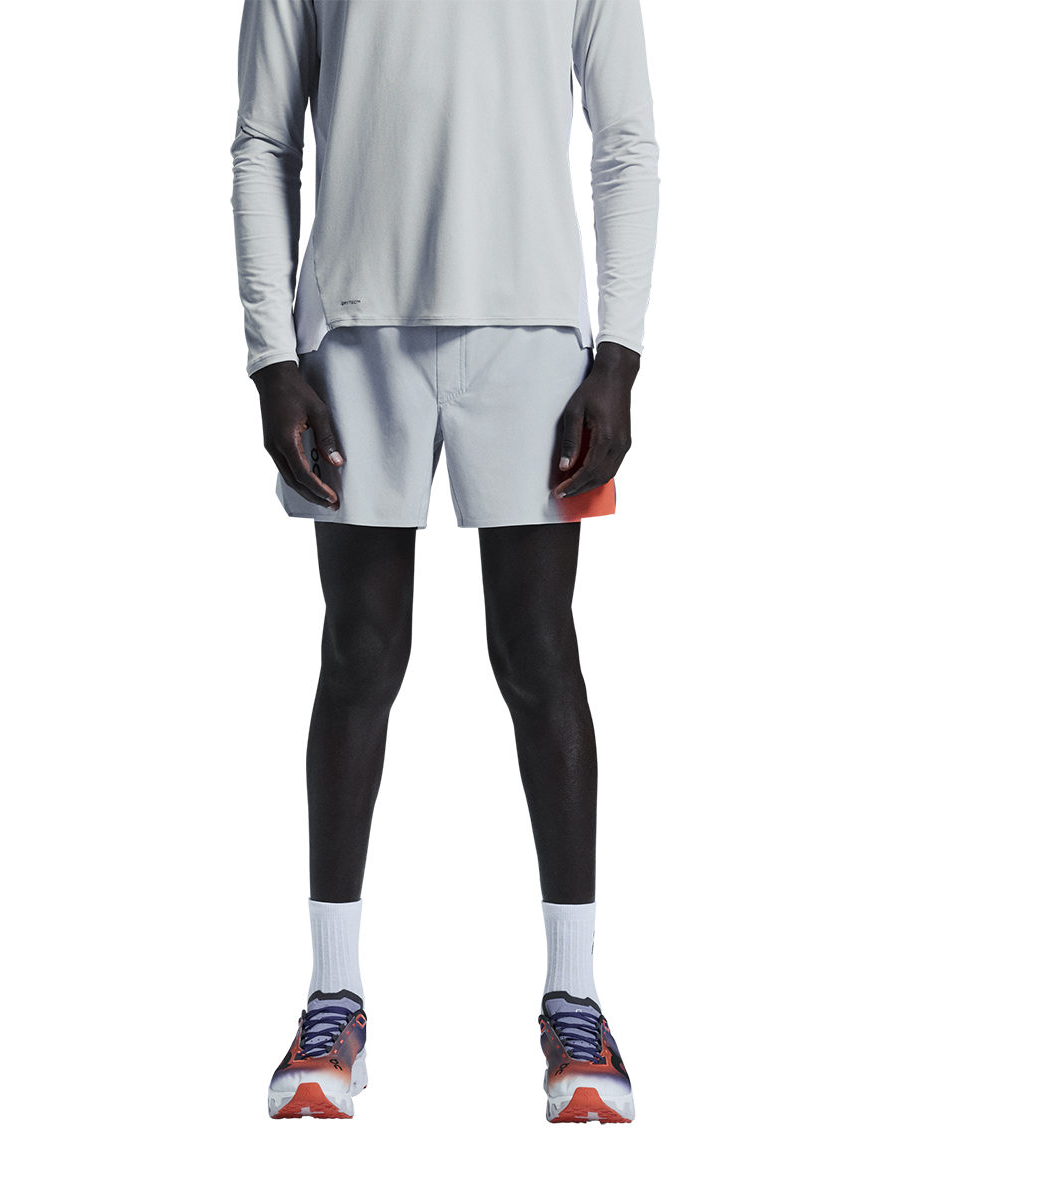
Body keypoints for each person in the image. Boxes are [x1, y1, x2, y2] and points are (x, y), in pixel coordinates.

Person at [232, 0, 659, 1125]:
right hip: (352, 326)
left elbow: (623, 137)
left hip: (533, 329)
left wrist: (619, 352)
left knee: (541, 653)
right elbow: (264, 136)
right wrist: (271, 358)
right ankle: (332, 1000)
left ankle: (575, 1002)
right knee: (358, 656)